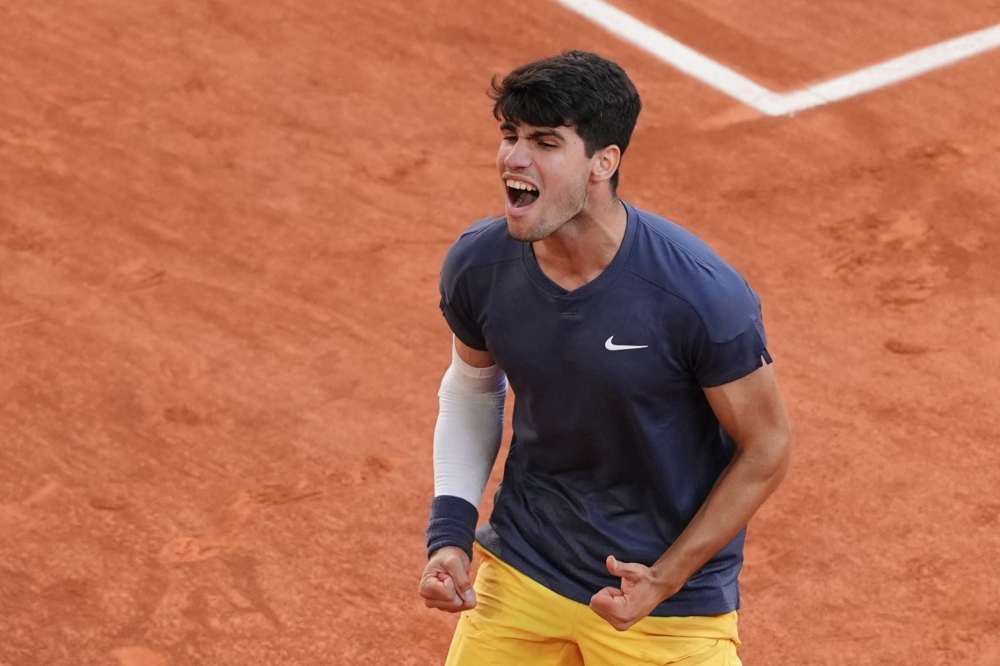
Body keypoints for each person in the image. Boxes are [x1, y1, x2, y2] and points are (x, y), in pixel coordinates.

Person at [418, 50, 792, 666]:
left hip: (665, 607)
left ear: (603, 162)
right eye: (509, 135)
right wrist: (450, 535)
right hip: (526, 571)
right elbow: (472, 388)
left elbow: (768, 446)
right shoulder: (479, 267)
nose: (514, 156)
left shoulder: (697, 295)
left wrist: (666, 578)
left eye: (544, 141)